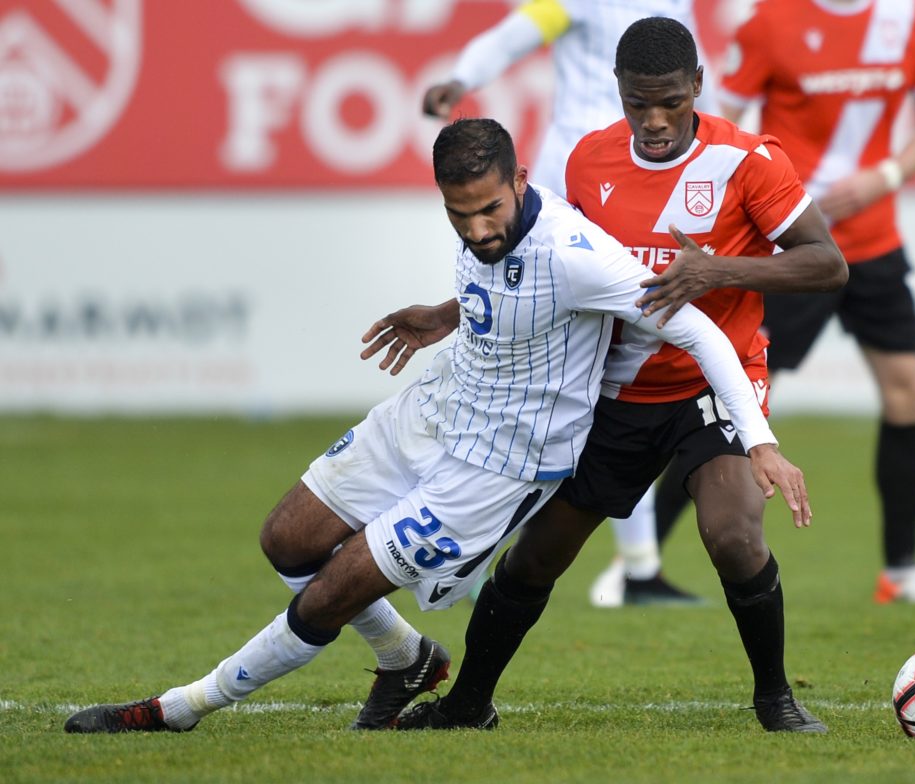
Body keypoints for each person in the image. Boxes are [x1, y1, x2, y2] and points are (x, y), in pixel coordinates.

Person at [63, 118, 810, 735]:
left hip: (497, 466)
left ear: (521, 184)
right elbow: (508, 292)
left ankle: (180, 709)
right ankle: (407, 658)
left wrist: (761, 441)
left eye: (492, 210)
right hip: (435, 408)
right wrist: (447, 314)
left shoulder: (580, 255)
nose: (480, 229)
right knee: (285, 540)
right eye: (461, 215)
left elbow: (700, 333)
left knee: (331, 593)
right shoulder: (480, 225)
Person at [386, 18, 848, 732]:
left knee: (732, 534)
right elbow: (555, 268)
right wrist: (454, 311)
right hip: (615, 390)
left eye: (670, 100)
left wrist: (717, 270)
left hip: (709, 383)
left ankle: (776, 701)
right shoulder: (589, 161)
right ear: (619, 93)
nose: (655, 121)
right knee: (537, 557)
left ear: (697, 84)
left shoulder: (748, 161)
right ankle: (468, 704)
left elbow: (827, 263)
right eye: (638, 103)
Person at [424, 0, 720, 607]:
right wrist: (464, 77)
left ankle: (636, 565)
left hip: (648, 177)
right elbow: (521, 31)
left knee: (614, 379)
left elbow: (698, 84)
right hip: (582, 184)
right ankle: (461, 537)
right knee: (527, 380)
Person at [707, 0, 915, 605]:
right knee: (734, 398)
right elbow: (723, 124)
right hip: (797, 247)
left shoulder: (907, 19)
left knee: (907, 387)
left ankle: (900, 572)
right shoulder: (771, 21)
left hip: (876, 242)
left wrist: (887, 178)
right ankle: (644, 568)